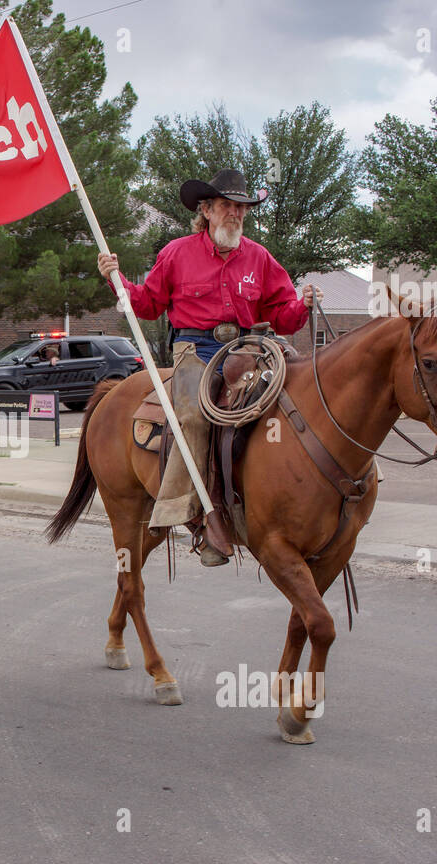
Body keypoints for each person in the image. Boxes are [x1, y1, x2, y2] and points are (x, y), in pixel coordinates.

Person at [97, 168, 322, 566]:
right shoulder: (177, 252)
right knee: (194, 416)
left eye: (240, 208)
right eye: (226, 206)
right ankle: (196, 514)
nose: (235, 214)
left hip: (249, 345)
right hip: (194, 349)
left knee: (296, 394)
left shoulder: (259, 257)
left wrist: (301, 303)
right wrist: (118, 282)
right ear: (206, 210)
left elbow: (283, 316)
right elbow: (148, 304)